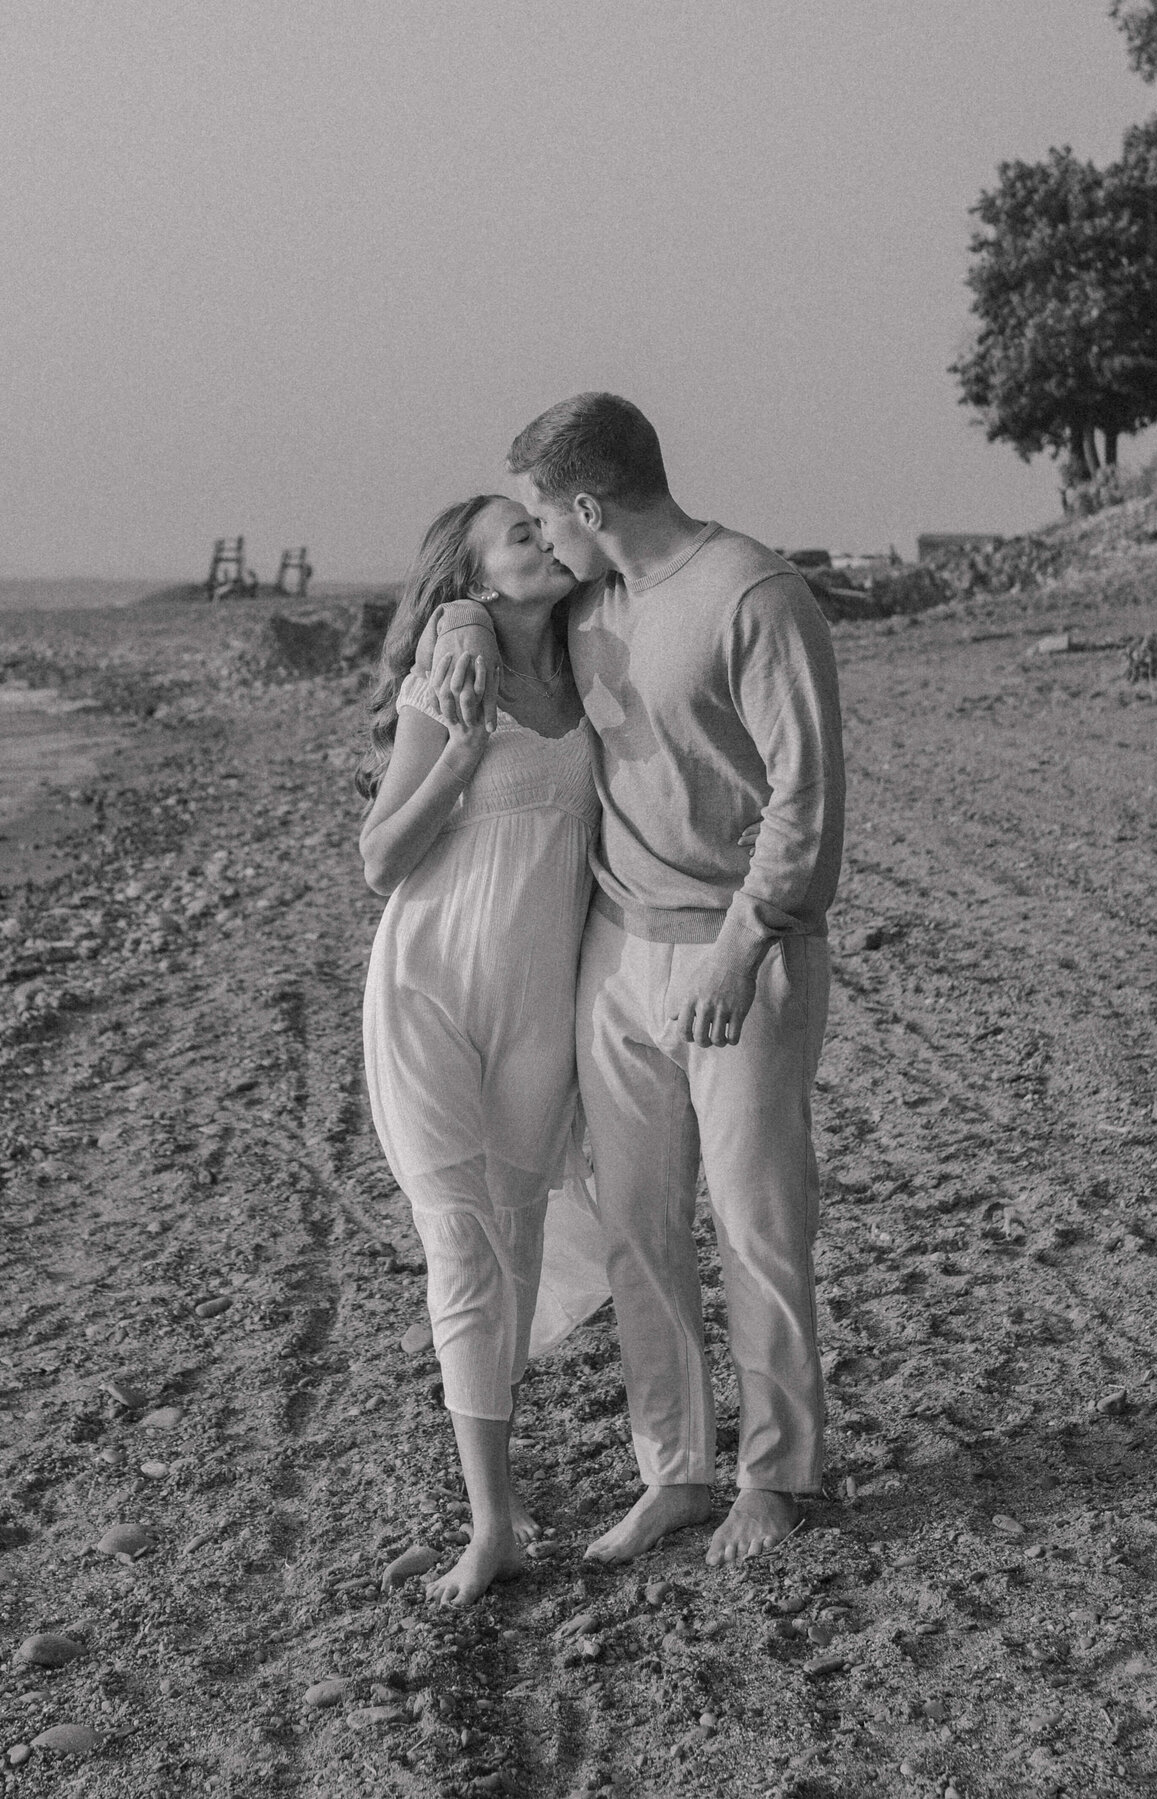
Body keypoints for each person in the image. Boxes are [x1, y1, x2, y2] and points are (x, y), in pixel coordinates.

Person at [428, 394, 845, 1566]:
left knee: (758, 1221)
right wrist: (461, 618)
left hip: (737, 956)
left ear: (591, 506)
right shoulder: (593, 601)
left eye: (544, 515)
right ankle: (678, 1470)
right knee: (637, 1227)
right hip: (614, 949)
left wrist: (743, 942)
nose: (539, 536)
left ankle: (777, 1476)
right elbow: (481, 600)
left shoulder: (753, 595)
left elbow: (807, 798)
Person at [358, 493, 602, 1606]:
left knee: (509, 1250)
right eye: (521, 535)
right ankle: (494, 1520)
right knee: (460, 1248)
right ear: (473, 577)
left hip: (538, 1013)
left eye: (548, 527)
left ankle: (489, 1497)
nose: (545, 540)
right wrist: (458, 759)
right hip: (429, 994)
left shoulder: (599, 665)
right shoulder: (444, 681)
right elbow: (379, 858)